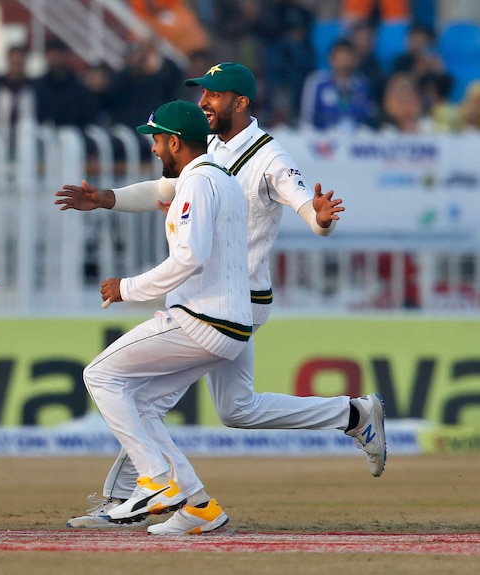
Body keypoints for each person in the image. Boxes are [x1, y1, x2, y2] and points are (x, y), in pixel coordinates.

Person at [56, 62, 386, 534]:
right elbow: (163, 187)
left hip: (233, 300)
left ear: (241, 102)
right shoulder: (203, 151)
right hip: (213, 299)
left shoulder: (271, 157)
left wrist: (322, 219)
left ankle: (145, 496)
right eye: (202, 93)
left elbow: (307, 211)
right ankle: (353, 413)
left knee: (140, 394)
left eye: (213, 94)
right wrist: (108, 198)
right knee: (235, 409)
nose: (203, 101)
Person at [75, 99, 253, 535]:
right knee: (144, 405)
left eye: (157, 140)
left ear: (175, 142)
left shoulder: (195, 184)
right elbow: (159, 195)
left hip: (201, 320)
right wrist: (107, 199)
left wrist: (127, 288)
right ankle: (199, 507)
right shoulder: (218, 177)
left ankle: (155, 481)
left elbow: (190, 257)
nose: (154, 149)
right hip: (229, 324)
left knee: (99, 376)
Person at [300, 38, 378, 131]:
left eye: (347, 57)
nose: (344, 61)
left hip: (356, 139)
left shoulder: (363, 85)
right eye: (340, 57)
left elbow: (369, 117)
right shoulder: (317, 82)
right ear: (331, 59)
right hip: (323, 139)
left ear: (355, 60)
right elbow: (307, 117)